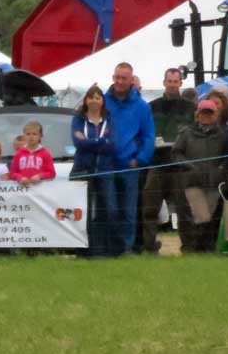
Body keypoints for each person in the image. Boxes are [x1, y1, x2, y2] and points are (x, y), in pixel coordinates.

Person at [102, 62, 155, 254]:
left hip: (130, 165)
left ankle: (125, 248)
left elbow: (149, 136)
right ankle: (110, 248)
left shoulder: (142, 107)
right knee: (109, 209)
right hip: (106, 165)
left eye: (124, 78)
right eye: (117, 77)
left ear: (131, 80)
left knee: (128, 211)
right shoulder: (102, 102)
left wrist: (140, 159)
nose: (119, 82)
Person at [140, 67, 194, 252]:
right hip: (157, 164)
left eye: (175, 81)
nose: (172, 84)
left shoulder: (190, 108)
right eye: (169, 81)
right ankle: (148, 247)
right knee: (149, 209)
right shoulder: (151, 106)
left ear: (180, 83)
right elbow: (145, 133)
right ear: (164, 82)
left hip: (180, 166)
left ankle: (188, 248)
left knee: (184, 209)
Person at [172, 100, 226, 253]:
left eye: (210, 113)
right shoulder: (186, 132)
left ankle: (203, 249)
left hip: (214, 182)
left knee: (208, 216)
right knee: (201, 216)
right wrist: (190, 167)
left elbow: (227, 154)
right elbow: (176, 153)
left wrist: (220, 169)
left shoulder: (222, 134)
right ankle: (197, 248)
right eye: (203, 112)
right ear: (197, 114)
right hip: (192, 181)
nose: (206, 116)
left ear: (215, 115)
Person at [71, 84, 114, 257]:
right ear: (86, 100)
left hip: (104, 169)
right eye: (91, 97)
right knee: (83, 211)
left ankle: (104, 250)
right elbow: (78, 143)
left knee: (107, 209)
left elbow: (112, 144)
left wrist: (90, 142)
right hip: (82, 169)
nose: (94, 100)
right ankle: (83, 251)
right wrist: (100, 142)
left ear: (102, 101)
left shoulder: (110, 119)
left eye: (98, 97)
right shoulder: (78, 119)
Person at [9, 121, 56, 186]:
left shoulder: (45, 153)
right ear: (24, 135)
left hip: (40, 190)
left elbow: (52, 173)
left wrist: (40, 176)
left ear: (40, 136)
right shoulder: (19, 153)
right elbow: (12, 173)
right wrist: (20, 178)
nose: (31, 136)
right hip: (22, 190)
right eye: (28, 134)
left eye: (34, 134)